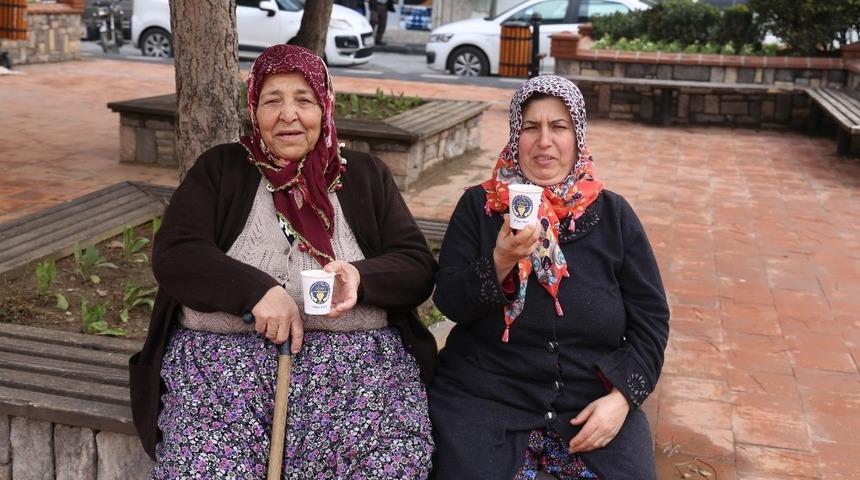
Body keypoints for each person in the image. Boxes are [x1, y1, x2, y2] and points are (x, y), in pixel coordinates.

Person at [128, 44, 437, 479]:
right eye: (272, 99)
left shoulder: (365, 175)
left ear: (325, 107)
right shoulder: (221, 169)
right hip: (221, 378)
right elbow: (177, 253)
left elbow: (416, 266)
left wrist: (359, 276)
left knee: (388, 466)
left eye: (303, 99)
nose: (288, 114)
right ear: (254, 108)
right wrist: (257, 291)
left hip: (358, 378)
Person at [428, 75, 670, 479]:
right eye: (530, 128)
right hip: (487, 395)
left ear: (577, 137)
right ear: (513, 136)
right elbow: (450, 300)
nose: (544, 142)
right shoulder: (480, 206)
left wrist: (624, 398)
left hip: (589, 400)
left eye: (559, 127)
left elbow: (651, 321)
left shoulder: (614, 215)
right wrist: (499, 261)